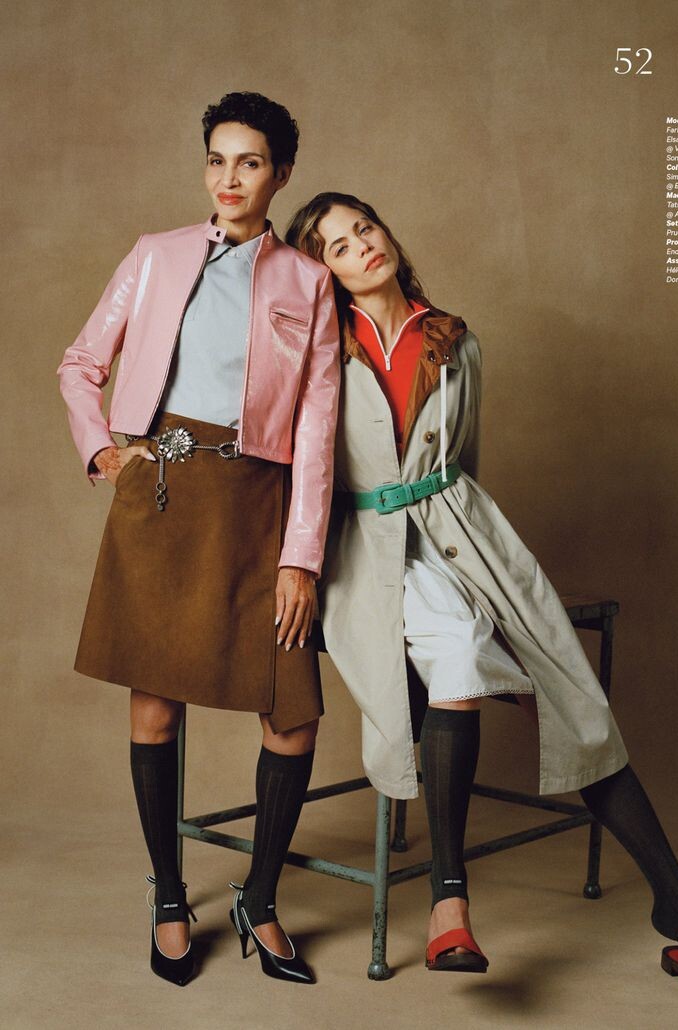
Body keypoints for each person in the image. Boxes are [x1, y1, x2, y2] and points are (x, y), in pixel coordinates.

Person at [286, 193, 678, 1006]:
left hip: (467, 539)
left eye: (364, 229)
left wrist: (470, 549)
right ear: (323, 273)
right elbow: (302, 472)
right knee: (459, 655)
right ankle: (450, 905)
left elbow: (464, 462)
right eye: (337, 246)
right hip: (367, 555)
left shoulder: (453, 339)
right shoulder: (319, 350)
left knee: (578, 704)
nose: (360, 247)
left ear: (386, 233)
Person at [57, 94, 340, 987]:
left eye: (249, 162)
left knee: (293, 715)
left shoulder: (308, 281)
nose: (229, 178)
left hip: (260, 505)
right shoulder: (156, 254)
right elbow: (81, 363)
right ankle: (171, 897)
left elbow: (319, 430)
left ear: (280, 174)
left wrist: (301, 557)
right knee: (155, 706)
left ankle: (261, 898)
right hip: (164, 498)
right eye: (217, 159)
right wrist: (102, 450)